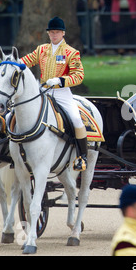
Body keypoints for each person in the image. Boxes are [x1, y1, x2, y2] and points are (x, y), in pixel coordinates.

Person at [20, 17, 88, 171]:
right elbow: (27, 61)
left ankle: (81, 157)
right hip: (43, 90)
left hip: (61, 92)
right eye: (51, 32)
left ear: (63, 33)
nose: (54, 35)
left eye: (57, 32)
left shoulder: (71, 52)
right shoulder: (42, 49)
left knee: (76, 119)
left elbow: (78, 75)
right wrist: (8, 66)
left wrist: (60, 80)